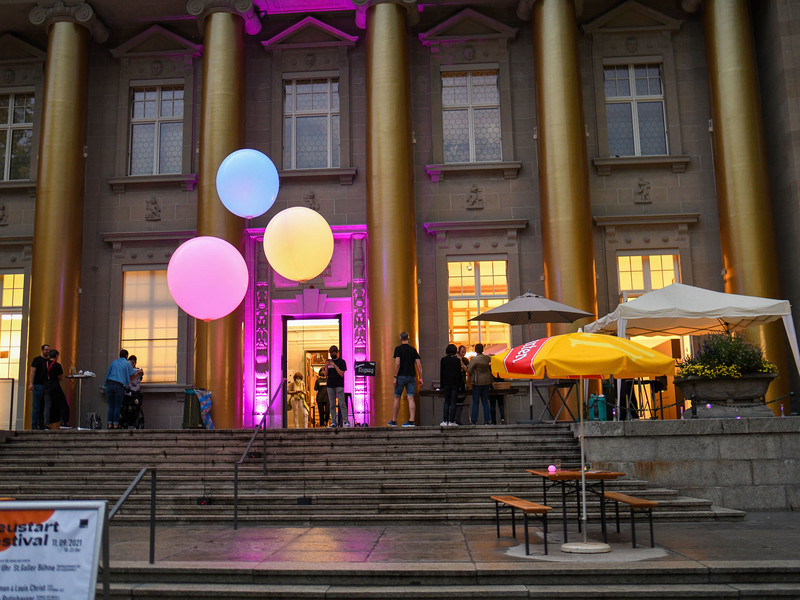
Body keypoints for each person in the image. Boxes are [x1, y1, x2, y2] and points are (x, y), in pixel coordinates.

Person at [389, 331, 422, 427]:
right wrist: (421, 377)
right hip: (411, 376)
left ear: (400, 338)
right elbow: (419, 365)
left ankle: (394, 420)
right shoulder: (413, 350)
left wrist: (395, 377)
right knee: (410, 397)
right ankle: (411, 421)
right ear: (408, 338)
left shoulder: (398, 349)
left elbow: (397, 363)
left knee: (397, 397)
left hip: (401, 376)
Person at [104, 349, 141, 429]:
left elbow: (107, 375)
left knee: (111, 406)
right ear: (126, 356)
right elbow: (132, 374)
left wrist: (105, 386)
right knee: (117, 406)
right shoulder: (126, 363)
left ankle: (110, 424)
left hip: (110, 384)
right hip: (119, 386)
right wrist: (138, 373)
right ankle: (116, 425)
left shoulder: (113, 362)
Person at [467, 343, 492, 425]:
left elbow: (469, 371)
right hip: (487, 381)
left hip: (477, 382)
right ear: (483, 350)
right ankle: (487, 420)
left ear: (475, 350)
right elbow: (493, 357)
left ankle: (474, 420)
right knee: (485, 401)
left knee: (475, 402)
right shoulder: (487, 358)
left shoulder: (474, 359)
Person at [325, 345, 349, 427]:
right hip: (330, 385)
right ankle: (333, 422)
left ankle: (345, 421)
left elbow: (341, 374)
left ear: (337, 352)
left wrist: (334, 365)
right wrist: (326, 366)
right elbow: (325, 375)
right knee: (332, 404)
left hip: (339, 385)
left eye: (333, 353)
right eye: (330, 353)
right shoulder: (329, 362)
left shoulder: (342, 362)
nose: (332, 355)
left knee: (342, 403)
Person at [439, 343, 462, 426]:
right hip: (455, 383)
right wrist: (461, 386)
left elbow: (441, 373)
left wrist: (441, 385)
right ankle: (452, 421)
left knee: (446, 402)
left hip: (446, 383)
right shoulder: (457, 360)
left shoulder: (443, 360)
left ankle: (445, 420)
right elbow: (459, 374)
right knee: (453, 402)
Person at [28, 343, 50, 430]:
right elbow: (32, 372)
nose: (47, 351)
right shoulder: (36, 360)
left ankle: (41, 424)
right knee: (36, 406)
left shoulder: (49, 361)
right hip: (37, 385)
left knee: (43, 406)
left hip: (46, 386)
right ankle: (34, 424)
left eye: (48, 350)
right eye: (46, 350)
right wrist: (31, 383)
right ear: (42, 350)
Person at [43, 349, 67, 428]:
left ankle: (46, 424)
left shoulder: (44, 364)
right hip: (55, 386)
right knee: (62, 404)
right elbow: (61, 377)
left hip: (46, 386)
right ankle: (63, 422)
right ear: (56, 356)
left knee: (47, 405)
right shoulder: (57, 365)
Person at [455, 345, 469, 425]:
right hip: (456, 382)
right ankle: (454, 419)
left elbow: (467, 369)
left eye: (464, 352)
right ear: (459, 351)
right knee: (455, 401)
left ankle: (457, 418)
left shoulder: (465, 360)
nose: (463, 353)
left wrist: (461, 363)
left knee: (461, 400)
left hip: (463, 381)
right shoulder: (455, 359)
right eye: (462, 352)